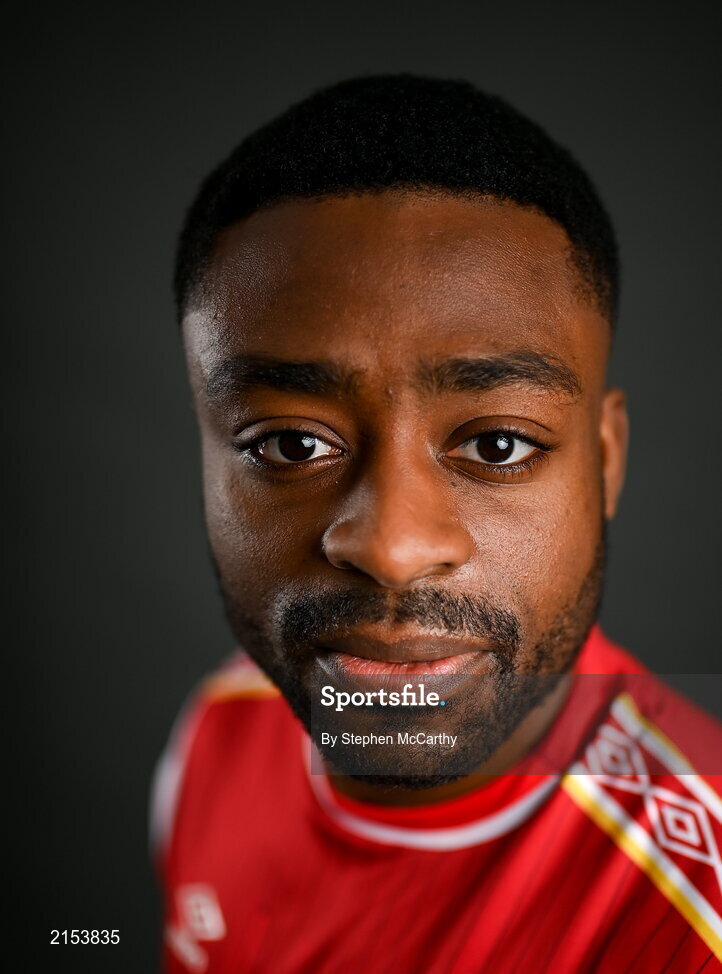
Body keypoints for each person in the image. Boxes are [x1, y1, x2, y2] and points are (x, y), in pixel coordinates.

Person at [151, 75, 722, 972]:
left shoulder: (697, 918)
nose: (391, 548)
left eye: (497, 444)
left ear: (606, 461)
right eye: (293, 444)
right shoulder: (220, 734)